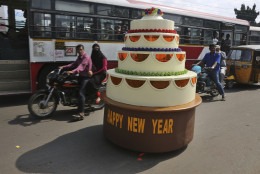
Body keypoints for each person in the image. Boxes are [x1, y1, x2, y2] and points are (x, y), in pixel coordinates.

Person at [59, 44, 93, 120]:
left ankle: (81, 113)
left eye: (81, 49)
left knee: (81, 93)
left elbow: (81, 67)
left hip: (86, 77)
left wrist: (72, 71)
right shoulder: (79, 57)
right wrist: (63, 67)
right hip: (81, 76)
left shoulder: (86, 57)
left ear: (83, 50)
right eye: (78, 50)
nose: (79, 51)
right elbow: (74, 64)